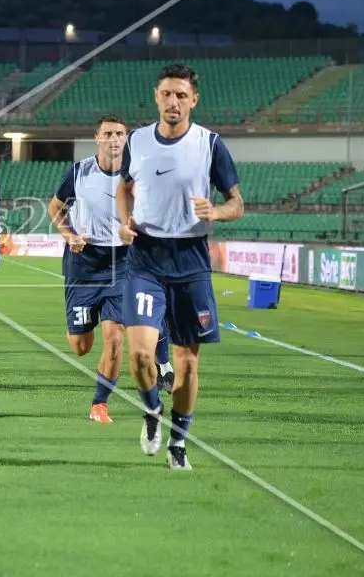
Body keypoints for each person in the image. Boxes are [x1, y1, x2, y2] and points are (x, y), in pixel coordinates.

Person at [118, 63, 243, 470]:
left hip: (190, 261)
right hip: (145, 258)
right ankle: (152, 410)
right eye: (167, 94)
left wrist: (218, 212)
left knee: (187, 363)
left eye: (181, 95)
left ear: (194, 99)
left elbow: (237, 203)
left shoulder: (210, 144)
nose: (174, 102)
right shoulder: (136, 141)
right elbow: (124, 186)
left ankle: (178, 443)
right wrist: (125, 220)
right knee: (139, 356)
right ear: (156, 96)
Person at [47, 115, 166, 425]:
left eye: (120, 134)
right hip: (83, 264)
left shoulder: (138, 174)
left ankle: (99, 403)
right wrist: (69, 234)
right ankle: (79, 328)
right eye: (109, 134)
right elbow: (55, 208)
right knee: (81, 347)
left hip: (123, 263)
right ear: (97, 138)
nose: (115, 139)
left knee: (114, 337)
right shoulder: (79, 172)